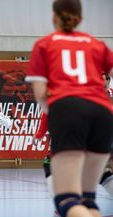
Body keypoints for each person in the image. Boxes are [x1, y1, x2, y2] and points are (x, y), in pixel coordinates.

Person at [26, 0, 113, 217]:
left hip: (68, 108)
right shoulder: (97, 44)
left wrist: (58, 115)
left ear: (54, 17)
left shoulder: (44, 44)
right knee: (88, 200)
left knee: (67, 201)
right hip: (104, 112)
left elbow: (40, 95)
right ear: (80, 19)